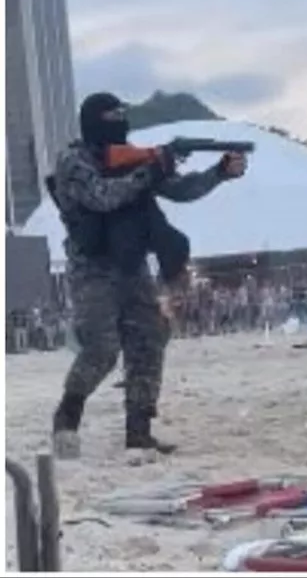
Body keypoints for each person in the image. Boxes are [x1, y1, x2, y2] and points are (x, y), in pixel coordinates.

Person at [49, 92, 247, 463]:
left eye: (123, 115)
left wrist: (219, 172)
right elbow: (103, 196)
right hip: (93, 269)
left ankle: (139, 432)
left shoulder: (133, 157)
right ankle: (67, 416)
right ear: (94, 121)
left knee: (149, 340)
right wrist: (153, 167)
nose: (120, 122)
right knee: (102, 350)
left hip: (132, 265)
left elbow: (179, 190)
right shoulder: (73, 161)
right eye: (113, 116)